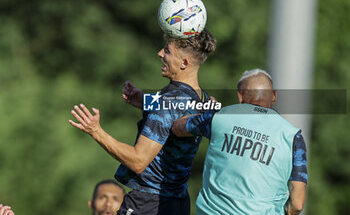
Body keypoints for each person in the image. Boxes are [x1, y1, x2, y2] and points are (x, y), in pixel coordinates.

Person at [69, 28, 216, 215]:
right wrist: (145, 101)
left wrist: (96, 131)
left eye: (168, 51)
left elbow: (139, 161)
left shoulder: (167, 103)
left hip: (148, 204)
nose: (160, 53)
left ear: (184, 63)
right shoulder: (202, 97)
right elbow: (177, 114)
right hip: (178, 203)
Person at [172, 69, 308, 215]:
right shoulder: (292, 137)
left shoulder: (218, 117)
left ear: (240, 96)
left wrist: (205, 113)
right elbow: (297, 204)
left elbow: (178, 127)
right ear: (274, 95)